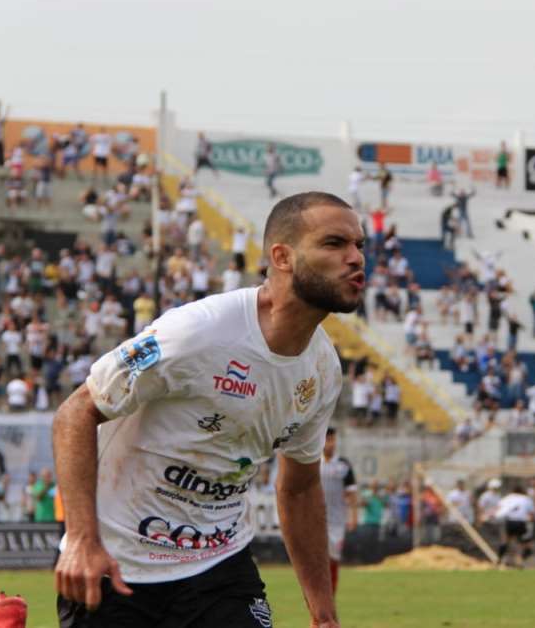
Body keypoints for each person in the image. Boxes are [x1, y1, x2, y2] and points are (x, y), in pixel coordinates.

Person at [53, 192, 364, 627]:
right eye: (335, 243)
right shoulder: (198, 332)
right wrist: (81, 539)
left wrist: (323, 612)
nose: (355, 258)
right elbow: (76, 412)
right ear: (282, 257)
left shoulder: (323, 369)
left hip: (218, 570)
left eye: (359, 246)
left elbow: (298, 488)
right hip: (117, 566)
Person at [320, 428, 358, 596]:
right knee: (318, 560)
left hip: (337, 520)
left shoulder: (343, 465)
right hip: (315, 520)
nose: (331, 444)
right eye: (328, 439)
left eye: (333, 439)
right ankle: (319, 600)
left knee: (333, 559)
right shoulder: (312, 463)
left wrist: (353, 516)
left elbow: (351, 493)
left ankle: (330, 597)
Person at [495, 484, 535, 568]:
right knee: (525, 544)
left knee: (505, 541)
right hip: (521, 523)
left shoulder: (508, 498)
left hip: (509, 522)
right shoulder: (526, 499)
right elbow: (532, 514)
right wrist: (530, 525)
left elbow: (498, 509)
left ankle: (499, 560)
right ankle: (521, 561)